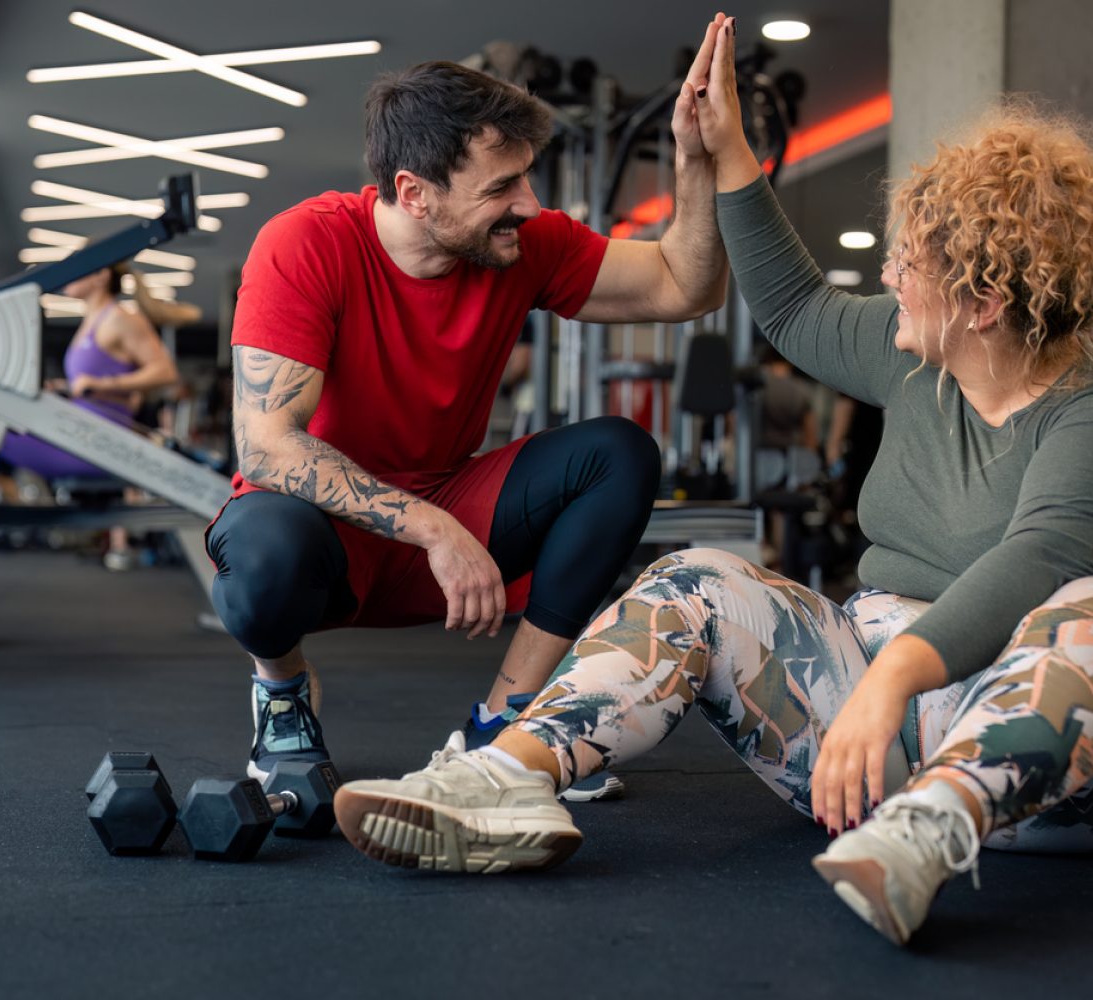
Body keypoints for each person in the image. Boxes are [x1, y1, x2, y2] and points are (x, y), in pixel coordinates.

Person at [333, 14, 1093, 947]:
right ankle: (505, 778)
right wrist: (727, 154)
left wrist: (890, 682)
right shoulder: (914, 358)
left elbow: (1034, 560)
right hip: (870, 742)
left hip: (1037, 766)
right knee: (695, 578)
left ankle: (933, 829)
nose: (887, 275)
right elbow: (792, 305)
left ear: (985, 304)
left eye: (910, 265)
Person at [207, 25, 731, 801]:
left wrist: (695, 162)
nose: (528, 202)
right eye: (500, 188)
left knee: (618, 454)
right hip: (323, 528)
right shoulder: (306, 244)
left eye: (525, 177)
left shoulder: (523, 244)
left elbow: (685, 288)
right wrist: (433, 529)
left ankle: (505, 722)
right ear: (415, 192)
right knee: (263, 555)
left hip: (453, 496)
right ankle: (282, 695)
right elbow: (268, 450)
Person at [0, 263, 189, 568]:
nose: (68, 275)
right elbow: (90, 384)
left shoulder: (119, 318)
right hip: (78, 429)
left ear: (100, 275)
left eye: (78, 268)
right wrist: (66, 388)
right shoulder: (92, 320)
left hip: (96, 440)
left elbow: (165, 372)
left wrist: (102, 384)